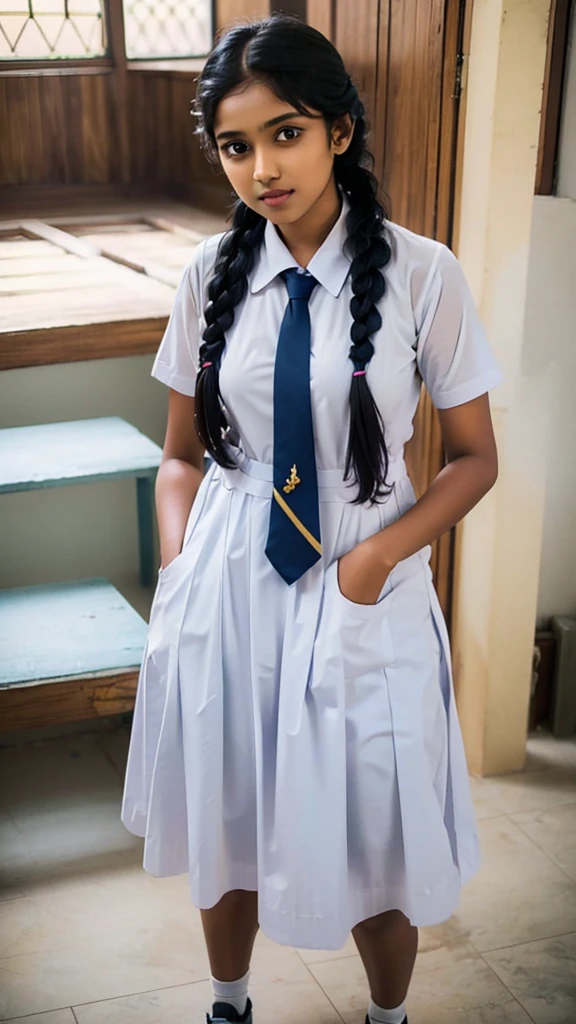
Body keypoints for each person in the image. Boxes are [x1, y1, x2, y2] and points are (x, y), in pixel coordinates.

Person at [121, 14, 503, 1024]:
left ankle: (387, 1016)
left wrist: (378, 555)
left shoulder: (425, 273)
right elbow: (178, 455)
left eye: (284, 133)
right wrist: (180, 574)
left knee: (379, 819)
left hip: (362, 572)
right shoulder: (208, 277)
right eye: (236, 146)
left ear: (339, 130)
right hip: (230, 583)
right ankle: (229, 1003)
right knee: (231, 808)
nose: (260, 168)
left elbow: (475, 458)